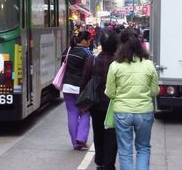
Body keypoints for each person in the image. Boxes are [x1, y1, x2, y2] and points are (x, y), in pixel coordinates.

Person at [105, 29, 159, 170]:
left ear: (120, 45)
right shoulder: (149, 65)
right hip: (144, 112)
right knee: (143, 148)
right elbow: (154, 91)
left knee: (125, 151)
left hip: (122, 112)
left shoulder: (115, 66)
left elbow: (110, 93)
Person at [80, 30, 119, 170]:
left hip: (96, 105)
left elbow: (84, 82)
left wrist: (84, 105)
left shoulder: (93, 60)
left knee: (98, 133)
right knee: (111, 135)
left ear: (101, 44)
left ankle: (100, 162)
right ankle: (109, 164)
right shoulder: (118, 62)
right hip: (113, 105)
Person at [62, 30, 93, 150]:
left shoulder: (68, 51)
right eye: (89, 41)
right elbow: (89, 71)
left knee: (72, 113)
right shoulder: (87, 53)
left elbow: (63, 67)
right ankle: (81, 138)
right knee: (85, 112)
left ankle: (75, 143)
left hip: (67, 86)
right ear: (84, 41)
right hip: (81, 88)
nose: (90, 43)